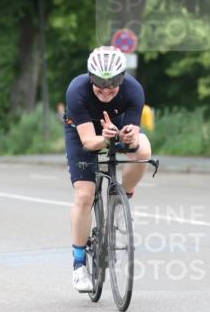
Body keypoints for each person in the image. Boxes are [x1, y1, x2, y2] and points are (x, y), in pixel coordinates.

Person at [63, 46, 152, 292]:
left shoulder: (133, 90)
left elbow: (133, 138)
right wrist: (105, 139)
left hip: (117, 123)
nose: (105, 90)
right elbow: (89, 142)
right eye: (99, 84)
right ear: (90, 78)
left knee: (144, 151)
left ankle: (125, 194)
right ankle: (79, 265)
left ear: (122, 79)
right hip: (82, 130)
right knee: (84, 195)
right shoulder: (77, 91)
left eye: (112, 84)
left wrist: (129, 138)